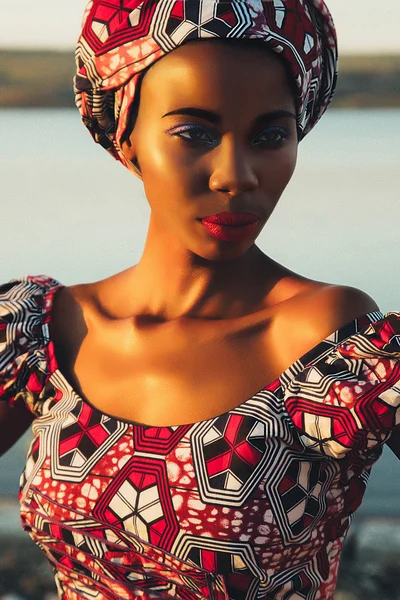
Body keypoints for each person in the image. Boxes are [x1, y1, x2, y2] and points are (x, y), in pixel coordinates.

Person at [0, 1, 399, 598]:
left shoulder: (334, 344)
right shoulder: (38, 331)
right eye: (194, 132)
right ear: (125, 136)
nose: (235, 175)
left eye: (270, 135)